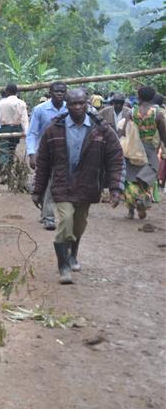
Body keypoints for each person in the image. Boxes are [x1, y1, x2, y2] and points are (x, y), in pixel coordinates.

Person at [32, 88, 124, 284]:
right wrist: (38, 190)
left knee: (79, 224)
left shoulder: (101, 129)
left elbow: (115, 158)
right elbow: (43, 162)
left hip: (87, 184)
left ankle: (72, 253)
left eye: (81, 103)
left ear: (87, 103)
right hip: (62, 184)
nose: (78, 107)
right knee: (66, 221)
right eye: (73, 104)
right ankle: (64, 266)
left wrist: (115, 188)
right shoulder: (53, 129)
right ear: (67, 105)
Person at [119, 86, 166, 219]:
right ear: (153, 97)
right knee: (147, 176)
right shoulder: (157, 114)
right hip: (149, 150)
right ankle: (142, 199)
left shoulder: (131, 112)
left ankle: (130, 211)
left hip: (132, 149)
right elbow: (163, 135)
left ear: (139, 96)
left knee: (130, 179)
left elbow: (124, 131)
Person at [26, 81, 68, 230]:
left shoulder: (70, 108)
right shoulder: (40, 110)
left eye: (62, 91)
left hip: (63, 152)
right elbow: (32, 132)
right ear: (50, 93)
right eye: (57, 91)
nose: (60, 94)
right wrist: (32, 154)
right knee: (43, 182)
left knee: (53, 182)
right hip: (43, 152)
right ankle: (45, 211)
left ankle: (49, 217)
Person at [0, 83, 29, 172]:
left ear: (7, 92)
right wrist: (26, 131)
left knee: (4, 150)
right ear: (16, 92)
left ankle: (5, 170)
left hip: (5, 128)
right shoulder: (21, 103)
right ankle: (10, 169)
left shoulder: (2, 103)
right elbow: (24, 119)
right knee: (12, 149)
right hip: (17, 129)